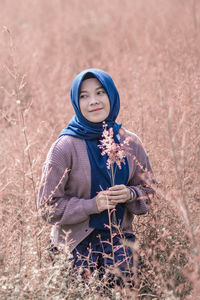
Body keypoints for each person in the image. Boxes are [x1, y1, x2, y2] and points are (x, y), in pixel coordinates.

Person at [37, 68, 154, 286]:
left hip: (121, 247)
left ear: (112, 95)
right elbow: (46, 207)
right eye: (84, 96)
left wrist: (130, 194)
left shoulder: (130, 142)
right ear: (76, 101)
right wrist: (93, 205)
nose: (93, 101)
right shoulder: (64, 147)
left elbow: (150, 193)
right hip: (74, 248)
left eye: (100, 92)